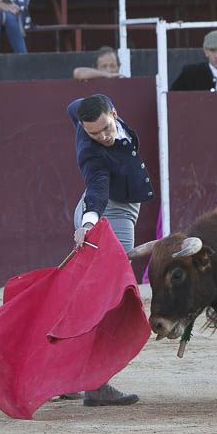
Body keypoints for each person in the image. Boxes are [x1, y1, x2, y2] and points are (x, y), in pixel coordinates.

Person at [68, 93, 149, 406]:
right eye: (92, 133)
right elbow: (98, 189)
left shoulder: (86, 111)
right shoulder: (92, 154)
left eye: (105, 128)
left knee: (91, 296)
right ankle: (96, 383)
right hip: (109, 216)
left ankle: (70, 374)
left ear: (113, 112)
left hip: (116, 214)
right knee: (114, 300)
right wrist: (89, 224)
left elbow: (73, 106)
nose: (101, 137)